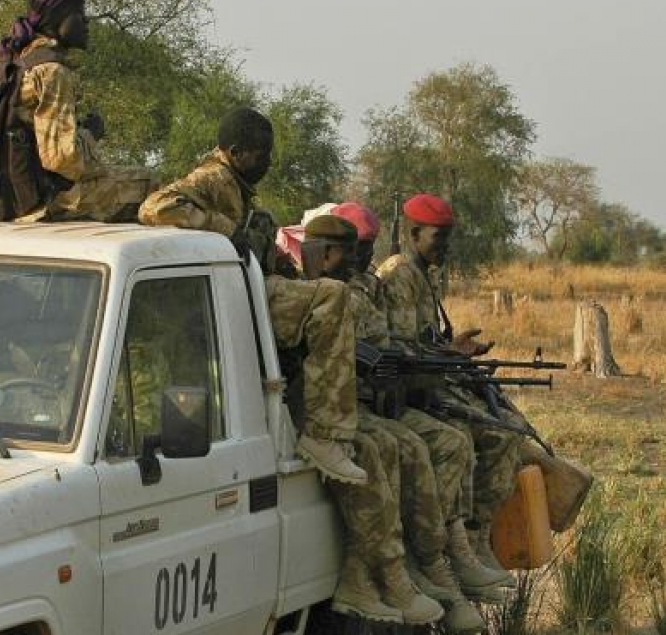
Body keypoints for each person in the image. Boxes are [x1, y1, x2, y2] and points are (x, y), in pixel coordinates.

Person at [139, 107, 366, 485]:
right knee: (331, 296)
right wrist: (224, 228)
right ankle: (324, 434)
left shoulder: (237, 186)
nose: (268, 163)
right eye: (262, 155)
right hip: (229, 299)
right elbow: (154, 206)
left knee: (331, 299)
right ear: (236, 152)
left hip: (240, 294)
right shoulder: (213, 178)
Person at [302, 214, 483, 632]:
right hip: (332, 411)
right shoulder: (313, 293)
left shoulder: (360, 290)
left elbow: (390, 347)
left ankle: (437, 558)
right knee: (396, 446)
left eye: (362, 249)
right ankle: (409, 565)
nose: (358, 259)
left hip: (365, 402)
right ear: (322, 254)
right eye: (349, 251)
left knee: (444, 440)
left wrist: (432, 359)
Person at [376, 193, 522, 583]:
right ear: (414, 234)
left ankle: (476, 539)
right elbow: (402, 351)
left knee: (508, 429)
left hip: (430, 383)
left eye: (447, 236)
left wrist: (455, 349)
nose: (445, 245)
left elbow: (425, 341)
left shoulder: (424, 273)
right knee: (474, 438)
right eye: (437, 237)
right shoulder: (400, 274)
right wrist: (450, 353)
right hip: (409, 390)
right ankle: (446, 549)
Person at [3, 0, 154, 223]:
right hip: (46, 202)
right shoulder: (52, 71)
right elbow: (62, 159)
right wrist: (91, 134)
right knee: (150, 184)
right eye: (79, 14)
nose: (86, 22)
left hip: (14, 197)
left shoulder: (19, 63)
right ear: (56, 18)